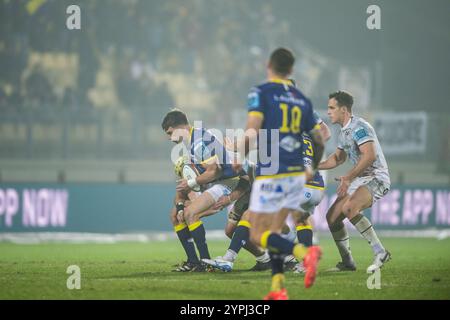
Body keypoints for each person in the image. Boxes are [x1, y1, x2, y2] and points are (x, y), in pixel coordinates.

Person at [232, 48, 325, 300]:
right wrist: (312, 168)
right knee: (274, 229)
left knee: (256, 233)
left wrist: (239, 156)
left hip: (273, 173)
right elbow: (321, 138)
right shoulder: (303, 99)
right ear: (292, 70)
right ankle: (278, 288)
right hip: (297, 174)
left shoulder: (261, 91)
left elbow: (252, 130)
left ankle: (305, 253)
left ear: (268, 65)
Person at [162, 109, 247, 269]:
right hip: (216, 181)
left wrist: (191, 182)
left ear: (178, 127)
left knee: (191, 213)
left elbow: (215, 171)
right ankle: (193, 261)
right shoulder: (193, 141)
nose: (169, 137)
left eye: (170, 132)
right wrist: (180, 205)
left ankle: (204, 262)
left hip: (228, 181)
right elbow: (188, 181)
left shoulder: (199, 141)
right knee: (175, 214)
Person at [319, 91, 391, 273]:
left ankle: (380, 252)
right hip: (360, 179)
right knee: (332, 218)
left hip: (377, 178)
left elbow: (370, 155)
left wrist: (348, 178)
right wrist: (313, 166)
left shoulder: (360, 127)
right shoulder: (344, 132)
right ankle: (348, 262)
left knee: (350, 208)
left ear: (343, 110)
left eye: (331, 108)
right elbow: (337, 159)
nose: (328, 112)